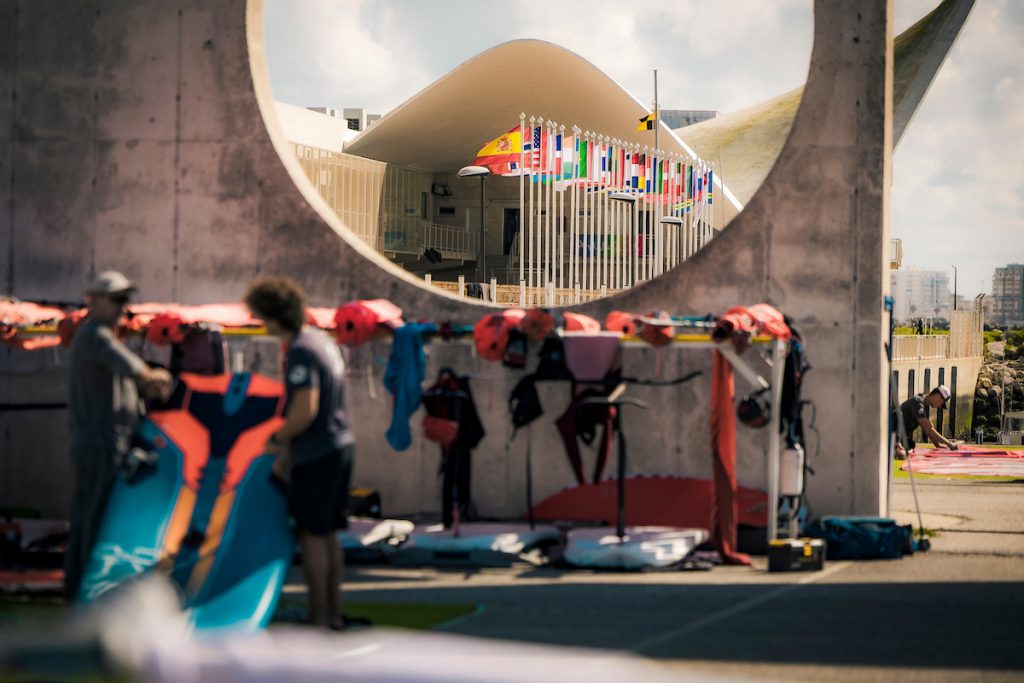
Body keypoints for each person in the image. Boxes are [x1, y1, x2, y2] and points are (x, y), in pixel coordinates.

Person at [244, 277, 361, 630]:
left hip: (320, 452)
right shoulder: (321, 340)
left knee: (311, 535)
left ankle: (320, 617)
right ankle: (333, 614)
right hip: (339, 446)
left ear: (274, 317)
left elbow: (304, 409)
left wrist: (277, 439)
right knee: (327, 534)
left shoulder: (300, 350)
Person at [66, 271, 172, 602]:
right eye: (116, 301)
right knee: (96, 520)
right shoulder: (97, 336)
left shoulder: (96, 337)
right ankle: (87, 598)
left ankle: (79, 595)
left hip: (100, 442)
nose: (122, 308)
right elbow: (137, 370)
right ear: (93, 301)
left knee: (88, 519)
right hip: (101, 443)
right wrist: (156, 377)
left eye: (124, 301)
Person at [895, 385, 958, 458]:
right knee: (903, 454)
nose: (940, 406)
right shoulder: (918, 402)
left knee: (911, 445)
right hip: (891, 432)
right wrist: (949, 443)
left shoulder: (925, 404)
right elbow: (928, 430)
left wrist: (938, 445)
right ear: (937, 396)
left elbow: (930, 427)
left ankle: (897, 447)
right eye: (941, 403)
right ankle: (895, 447)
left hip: (901, 436)